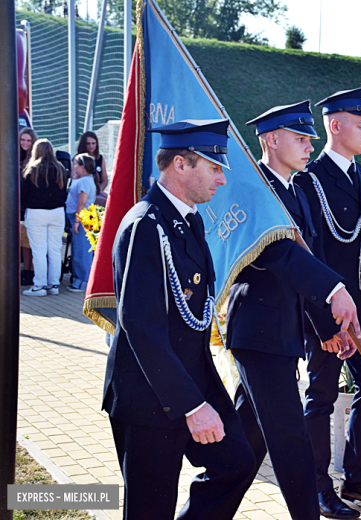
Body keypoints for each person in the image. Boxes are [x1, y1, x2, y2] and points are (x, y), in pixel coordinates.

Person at [102, 119, 256, 519]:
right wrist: (191, 406)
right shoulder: (145, 225)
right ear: (181, 166)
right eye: (215, 168)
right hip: (149, 395)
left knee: (237, 462)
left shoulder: (189, 220)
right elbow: (142, 328)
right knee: (150, 509)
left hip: (191, 379)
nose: (221, 180)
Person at [227, 100, 361, 520]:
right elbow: (281, 255)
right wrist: (335, 289)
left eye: (309, 139)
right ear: (270, 139)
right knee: (291, 442)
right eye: (300, 138)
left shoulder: (296, 191)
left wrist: (328, 327)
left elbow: (310, 260)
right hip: (259, 333)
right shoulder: (255, 190)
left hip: (281, 335)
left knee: (246, 447)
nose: (309, 146)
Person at [295, 86, 361, 518]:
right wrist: (325, 323)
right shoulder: (309, 178)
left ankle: (357, 481)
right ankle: (319, 487)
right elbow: (309, 257)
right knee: (320, 396)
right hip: (327, 311)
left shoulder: (357, 174)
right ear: (335, 125)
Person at [21, 138, 67, 297]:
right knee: (55, 250)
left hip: (36, 213)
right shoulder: (60, 168)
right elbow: (63, 192)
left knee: (38, 251)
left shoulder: (31, 169)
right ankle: (53, 285)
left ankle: (39, 285)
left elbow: (24, 195)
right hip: (57, 212)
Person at [66, 153, 99, 292]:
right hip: (84, 217)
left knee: (81, 250)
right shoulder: (85, 179)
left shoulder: (85, 181)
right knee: (80, 249)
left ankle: (83, 281)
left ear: (82, 167)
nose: (73, 167)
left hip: (82, 218)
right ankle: (81, 279)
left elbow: (82, 202)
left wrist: (76, 221)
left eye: (75, 164)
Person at [19, 127, 38, 285]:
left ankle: (31, 270)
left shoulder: (35, 160)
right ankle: (25, 269)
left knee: (30, 240)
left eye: (28, 140)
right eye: (22, 140)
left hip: (30, 204)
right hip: (16, 203)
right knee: (22, 240)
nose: (25, 143)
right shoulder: (14, 156)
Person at [77, 131, 109, 205]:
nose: (91, 146)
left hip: (97, 191)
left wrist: (98, 190)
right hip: (84, 193)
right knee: (105, 202)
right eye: (88, 143)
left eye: (93, 143)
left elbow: (105, 180)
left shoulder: (100, 158)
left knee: (109, 200)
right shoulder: (78, 159)